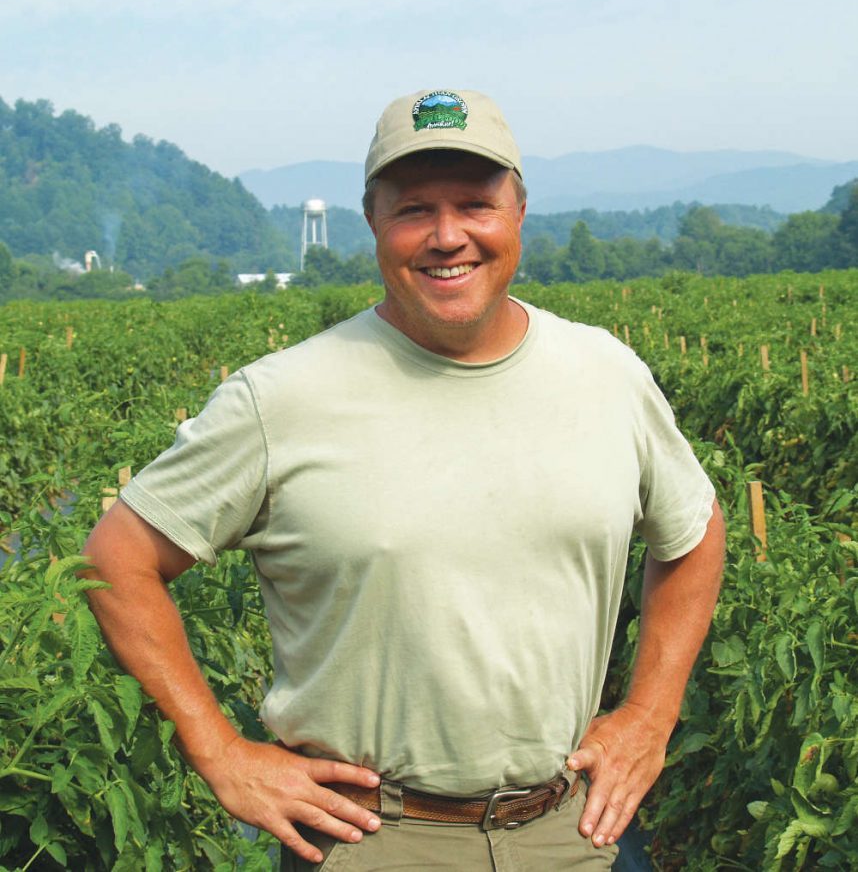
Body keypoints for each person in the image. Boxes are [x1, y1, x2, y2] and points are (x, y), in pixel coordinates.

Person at [83, 88, 725, 870]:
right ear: (373, 223)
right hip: (371, 842)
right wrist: (220, 752)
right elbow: (116, 560)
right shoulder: (280, 399)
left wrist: (651, 714)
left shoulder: (607, 374)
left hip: (574, 831)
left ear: (519, 211)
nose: (447, 236)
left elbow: (694, 529)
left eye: (475, 205)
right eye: (415, 208)